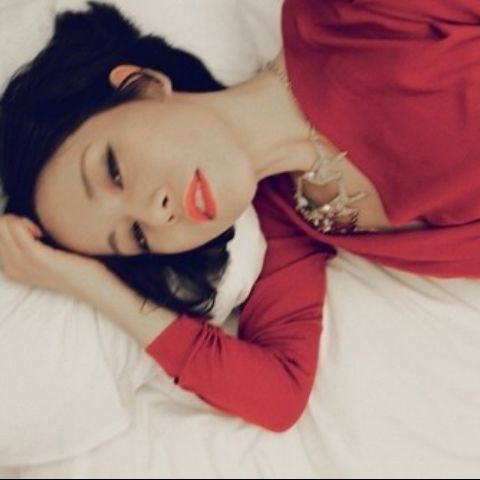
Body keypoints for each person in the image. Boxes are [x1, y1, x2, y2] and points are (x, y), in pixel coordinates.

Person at [1, 0, 480, 432]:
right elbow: (278, 396)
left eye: (114, 171)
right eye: (136, 236)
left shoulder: (350, 18)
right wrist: (84, 283)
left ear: (140, 86)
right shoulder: (292, 222)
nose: (155, 212)